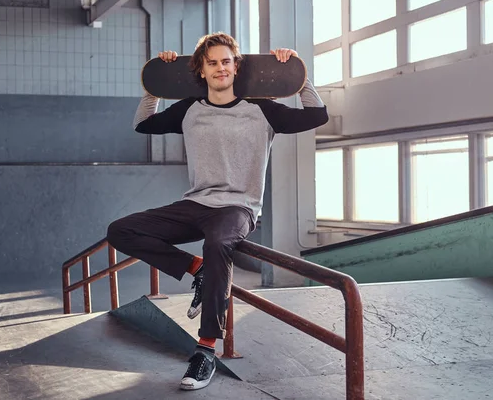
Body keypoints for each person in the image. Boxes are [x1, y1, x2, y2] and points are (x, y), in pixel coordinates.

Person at [106, 32, 328, 391]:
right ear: (202, 70)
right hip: (195, 203)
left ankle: (206, 349)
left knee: (216, 245)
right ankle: (198, 271)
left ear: (235, 67)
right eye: (213, 63)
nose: (221, 68)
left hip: (238, 207)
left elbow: (317, 116)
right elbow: (143, 124)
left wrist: (301, 77)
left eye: (227, 61)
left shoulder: (263, 109)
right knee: (120, 230)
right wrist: (155, 86)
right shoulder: (189, 109)